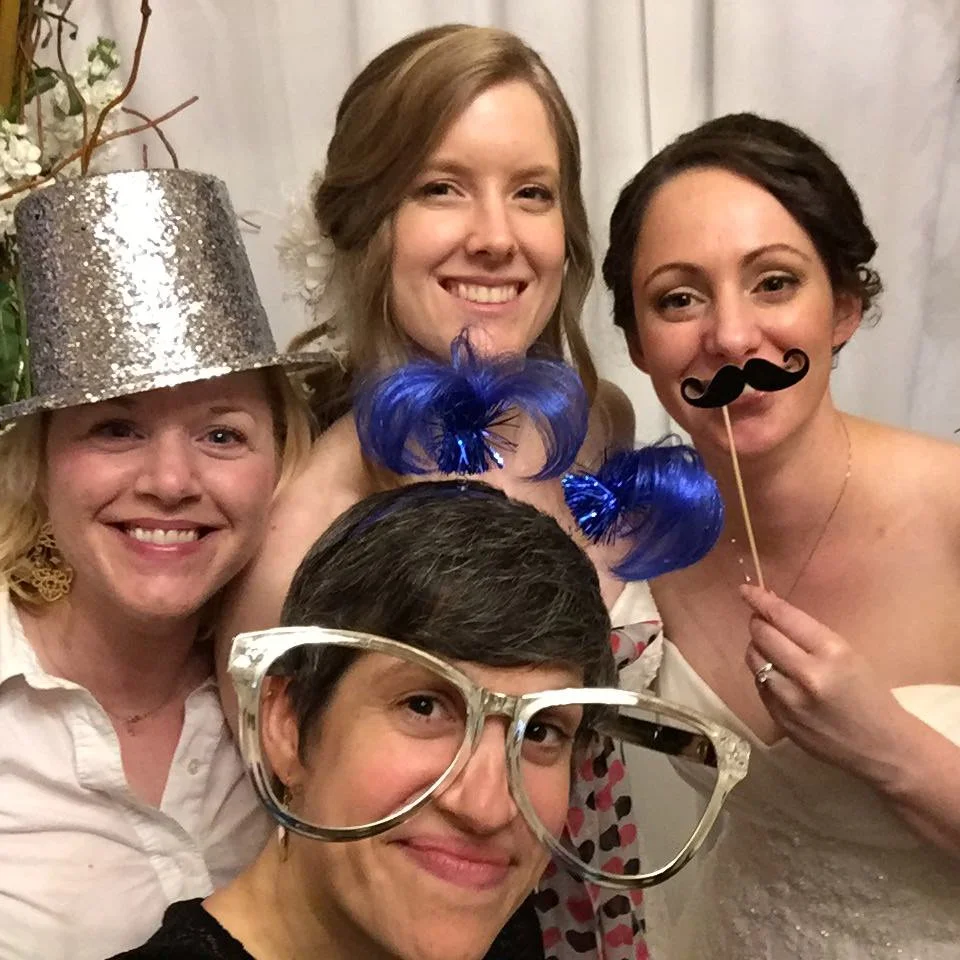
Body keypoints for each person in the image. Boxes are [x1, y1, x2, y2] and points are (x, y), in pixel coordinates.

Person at [217, 25, 670, 960]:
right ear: (367, 222)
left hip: (599, 917)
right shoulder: (301, 533)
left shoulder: (597, 424)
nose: (497, 237)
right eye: (441, 188)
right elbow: (306, 879)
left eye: (532, 193)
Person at [602, 112, 960, 958]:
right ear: (639, 345)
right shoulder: (632, 545)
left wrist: (890, 748)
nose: (731, 337)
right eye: (679, 298)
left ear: (844, 307)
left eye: (773, 282)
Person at [118, 481, 747, 960]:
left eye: (541, 731)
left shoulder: (505, 930)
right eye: (424, 706)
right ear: (287, 724)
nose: (488, 808)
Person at [0, 169, 317, 958]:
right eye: (116, 429)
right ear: (40, 462)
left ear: (280, 464)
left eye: (221, 435)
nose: (171, 482)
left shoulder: (302, 697)